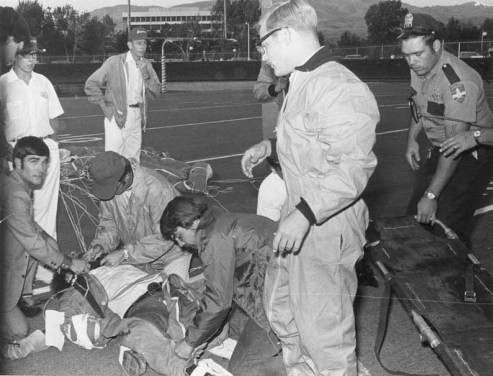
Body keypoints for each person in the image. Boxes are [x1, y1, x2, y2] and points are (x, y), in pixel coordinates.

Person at [241, 1, 379, 374]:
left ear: (285, 35)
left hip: (324, 223)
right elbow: (310, 140)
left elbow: (352, 168)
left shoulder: (336, 85)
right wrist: (271, 147)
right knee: (281, 307)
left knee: (324, 333)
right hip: (300, 214)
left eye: (263, 44)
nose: (262, 54)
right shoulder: (302, 78)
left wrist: (303, 214)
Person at [399, 12, 493, 246]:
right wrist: (412, 139)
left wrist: (431, 196)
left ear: (437, 46)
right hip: (443, 147)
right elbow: (422, 104)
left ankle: (460, 277)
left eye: (417, 54)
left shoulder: (457, 83)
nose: (411, 62)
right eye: (406, 55)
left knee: (448, 227)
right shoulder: (419, 67)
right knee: (416, 219)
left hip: (471, 152)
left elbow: (455, 147)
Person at [0, 137, 89, 360]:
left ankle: (22, 294)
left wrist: (49, 239)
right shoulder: (16, 194)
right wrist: (69, 263)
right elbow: (32, 242)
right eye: (33, 161)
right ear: (17, 162)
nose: (40, 168)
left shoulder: (18, 184)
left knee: (45, 247)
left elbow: (27, 225)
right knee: (19, 332)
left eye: (43, 162)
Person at [159, 196, 277, 363]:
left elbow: (217, 300)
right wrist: (220, 325)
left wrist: (189, 342)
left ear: (192, 223)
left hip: (284, 285)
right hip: (278, 270)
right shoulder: (216, 221)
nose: (180, 244)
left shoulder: (213, 240)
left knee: (247, 366)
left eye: (179, 236)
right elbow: (232, 280)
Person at [0, 38, 65, 313]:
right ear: (14, 55)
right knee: (20, 220)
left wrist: (54, 146)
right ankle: (20, 286)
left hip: (44, 150)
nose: (32, 58)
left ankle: (47, 269)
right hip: (16, 154)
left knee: (46, 214)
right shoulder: (3, 84)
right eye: (26, 54)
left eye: (35, 54)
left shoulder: (43, 82)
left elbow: (57, 118)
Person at [82, 151, 187, 276]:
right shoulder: (111, 188)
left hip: (171, 255)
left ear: (126, 178)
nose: (108, 193)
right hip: (136, 255)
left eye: (111, 188)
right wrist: (100, 245)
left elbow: (166, 237)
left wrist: (125, 253)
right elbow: (109, 223)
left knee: (175, 291)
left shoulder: (158, 190)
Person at [84, 28, 161, 162]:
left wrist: (145, 74)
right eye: (138, 43)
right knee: (113, 160)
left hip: (137, 116)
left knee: (133, 161)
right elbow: (91, 84)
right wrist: (105, 107)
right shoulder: (114, 62)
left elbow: (156, 93)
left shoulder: (146, 65)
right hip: (117, 116)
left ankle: (131, 183)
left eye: (144, 43)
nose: (142, 46)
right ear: (130, 45)